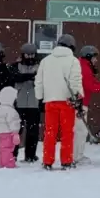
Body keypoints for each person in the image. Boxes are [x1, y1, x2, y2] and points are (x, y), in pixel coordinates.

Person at [34, 34, 85, 170]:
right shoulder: (73, 61)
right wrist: (79, 97)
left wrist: (40, 97)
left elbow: (38, 81)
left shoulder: (46, 61)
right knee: (67, 133)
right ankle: (66, 161)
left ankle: (47, 161)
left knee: (50, 132)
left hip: (50, 101)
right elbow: (75, 81)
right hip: (67, 101)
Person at [77, 46, 100, 164]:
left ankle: (76, 155)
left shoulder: (83, 65)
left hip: (80, 102)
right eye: (94, 57)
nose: (96, 60)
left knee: (79, 130)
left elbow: (92, 84)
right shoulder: (84, 68)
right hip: (80, 103)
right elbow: (91, 86)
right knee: (80, 131)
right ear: (88, 56)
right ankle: (77, 156)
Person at [9, 44, 42, 163]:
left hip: (34, 102)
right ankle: (13, 154)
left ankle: (30, 155)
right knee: (16, 131)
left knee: (33, 131)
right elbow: (14, 78)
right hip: (19, 103)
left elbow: (41, 80)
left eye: (32, 54)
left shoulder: (40, 66)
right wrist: (29, 76)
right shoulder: (15, 66)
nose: (30, 57)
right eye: (27, 55)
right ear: (23, 55)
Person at [0, 86, 22, 169]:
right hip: (8, 133)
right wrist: (15, 132)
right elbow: (14, 122)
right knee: (8, 149)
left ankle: (2, 162)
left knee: (2, 149)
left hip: (0, 133)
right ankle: (8, 163)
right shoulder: (11, 111)